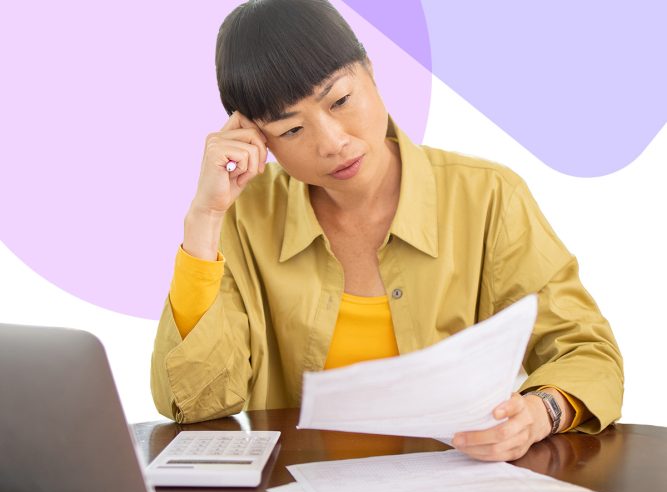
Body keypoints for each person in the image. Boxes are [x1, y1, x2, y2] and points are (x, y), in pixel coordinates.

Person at [151, 0, 623, 462]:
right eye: (291, 130)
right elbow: (193, 403)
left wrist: (541, 412)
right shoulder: (244, 216)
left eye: (341, 100)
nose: (333, 143)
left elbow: (588, 351)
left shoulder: (488, 197)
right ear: (256, 138)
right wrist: (205, 219)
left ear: (370, 72)